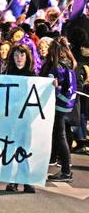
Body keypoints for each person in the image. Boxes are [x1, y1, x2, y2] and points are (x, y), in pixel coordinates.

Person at [0, 44, 37, 193]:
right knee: (10, 148)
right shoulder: (6, 74)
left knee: (24, 148)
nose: (19, 58)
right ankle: (11, 181)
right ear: (12, 58)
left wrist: (52, 85)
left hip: (25, 118)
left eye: (22, 55)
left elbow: (41, 90)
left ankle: (25, 180)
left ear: (27, 57)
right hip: (10, 118)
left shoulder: (32, 76)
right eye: (16, 55)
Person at [41, 37, 77, 183]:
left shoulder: (58, 66)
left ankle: (66, 171)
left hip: (59, 105)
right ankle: (65, 169)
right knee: (60, 135)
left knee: (60, 136)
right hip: (66, 105)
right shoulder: (68, 62)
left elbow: (53, 85)